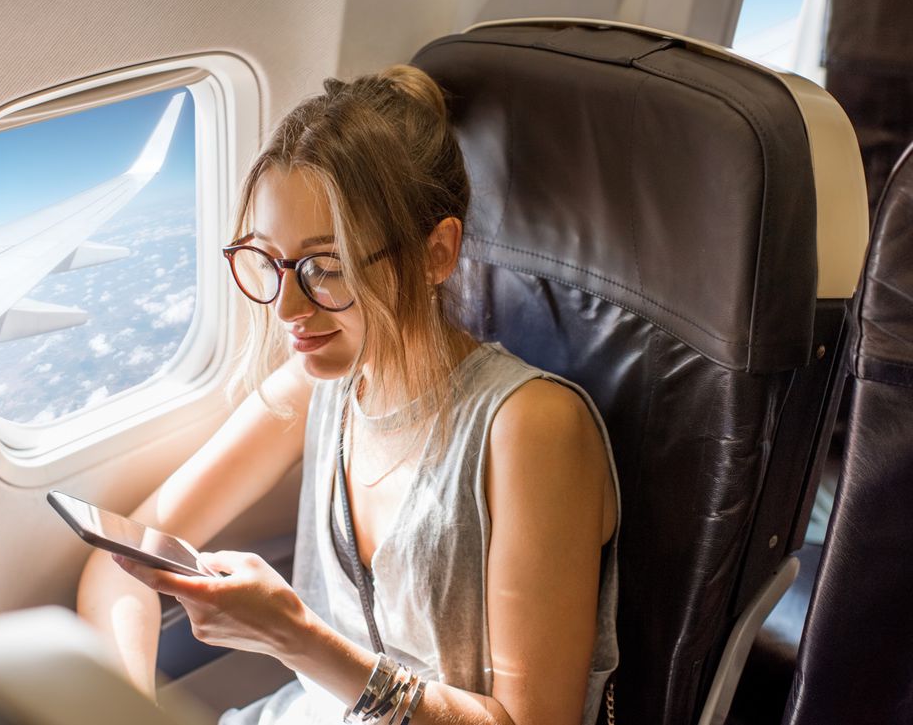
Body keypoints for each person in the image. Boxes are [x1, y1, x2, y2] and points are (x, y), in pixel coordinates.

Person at [77, 65, 620, 725]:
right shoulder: (316, 387)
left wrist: (296, 637)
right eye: (270, 262)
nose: (287, 308)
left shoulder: (533, 429)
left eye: (325, 268)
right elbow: (121, 558)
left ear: (436, 253)